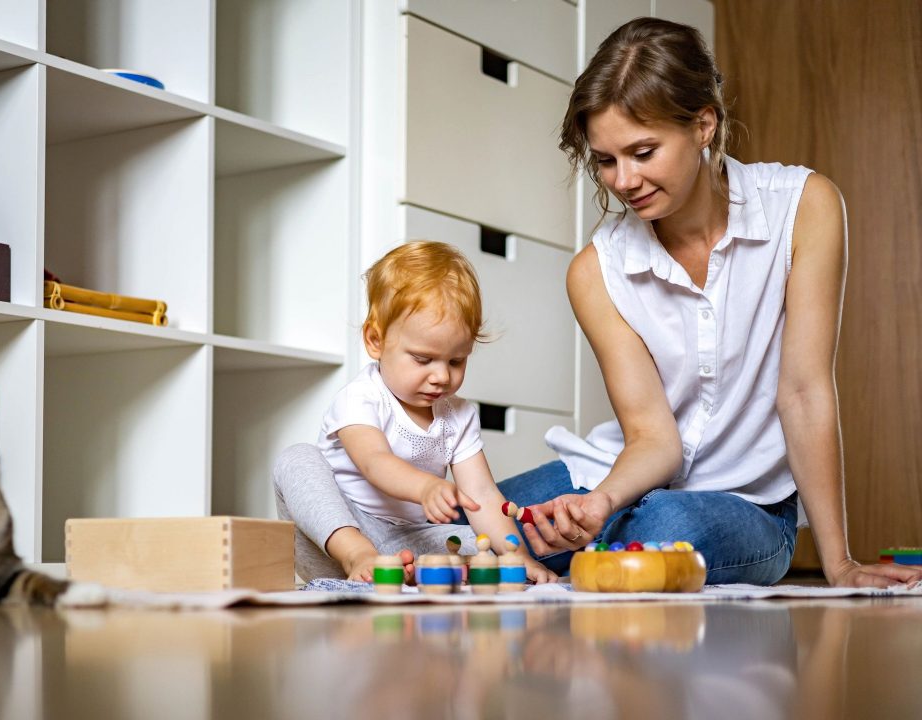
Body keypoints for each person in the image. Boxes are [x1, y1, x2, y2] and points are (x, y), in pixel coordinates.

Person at [279, 16, 922, 589]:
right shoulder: (596, 269)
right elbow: (653, 439)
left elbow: (805, 391)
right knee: (491, 525)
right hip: (614, 472)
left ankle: (571, 549)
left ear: (704, 124)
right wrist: (597, 502)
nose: (624, 181)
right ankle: (364, 557)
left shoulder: (805, 207)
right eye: (605, 161)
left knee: (666, 521)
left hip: (745, 502)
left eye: (643, 153)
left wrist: (838, 562)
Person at [274, 241, 557, 584]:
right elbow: (374, 462)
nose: (441, 376)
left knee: (473, 544)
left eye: (456, 361)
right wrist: (425, 489)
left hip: (404, 540)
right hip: (335, 536)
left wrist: (518, 557)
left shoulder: (459, 416)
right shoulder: (361, 397)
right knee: (297, 459)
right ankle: (359, 557)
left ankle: (404, 572)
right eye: (423, 359)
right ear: (376, 340)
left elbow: (481, 494)